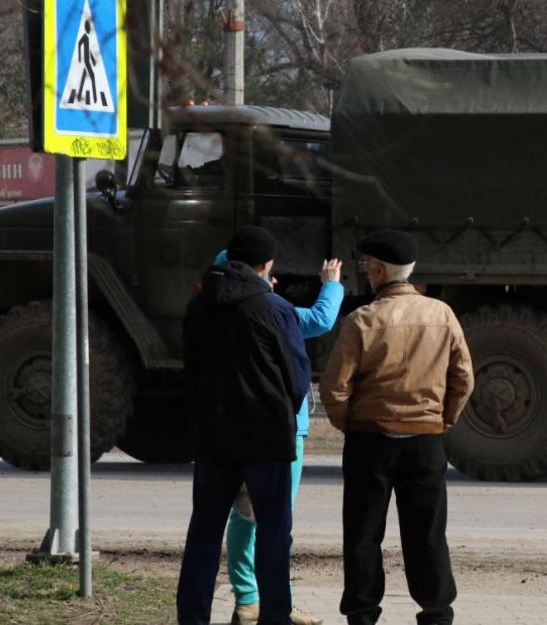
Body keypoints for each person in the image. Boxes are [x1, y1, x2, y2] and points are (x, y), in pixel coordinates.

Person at [319, 229, 474, 625]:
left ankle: (363, 612)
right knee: (427, 534)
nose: (366, 272)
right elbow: (464, 379)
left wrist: (350, 425)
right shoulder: (442, 315)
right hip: (425, 441)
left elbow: (335, 387)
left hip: (370, 440)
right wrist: (442, 420)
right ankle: (437, 612)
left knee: (363, 534)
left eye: (369, 266)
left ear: (380, 270)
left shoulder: (361, 321)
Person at [178, 225, 310, 625]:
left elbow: (191, 372)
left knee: (204, 531)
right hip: (266, 438)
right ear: (266, 265)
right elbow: (298, 378)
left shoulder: (198, 307)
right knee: (273, 534)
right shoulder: (275, 309)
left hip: (214, 438)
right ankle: (275, 616)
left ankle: (193, 616)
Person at [221, 253, 344, 625]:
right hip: (283, 431)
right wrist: (332, 283)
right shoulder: (275, 311)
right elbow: (322, 320)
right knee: (274, 523)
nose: (272, 282)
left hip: (234, 427)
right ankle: (272, 605)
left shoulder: (215, 312)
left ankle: (248, 600)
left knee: (243, 515)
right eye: (267, 274)